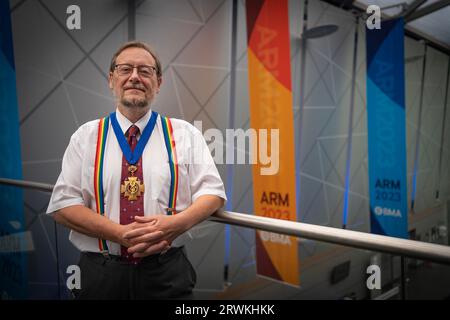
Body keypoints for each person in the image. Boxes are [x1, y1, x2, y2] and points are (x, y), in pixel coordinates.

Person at [46, 41, 226, 300]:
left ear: (159, 82)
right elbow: (63, 205)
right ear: (111, 79)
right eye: (125, 69)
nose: (134, 77)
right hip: (101, 274)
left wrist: (175, 225)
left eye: (145, 71)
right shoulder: (85, 137)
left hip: (166, 273)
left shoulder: (186, 134)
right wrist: (119, 234)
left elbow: (213, 193)